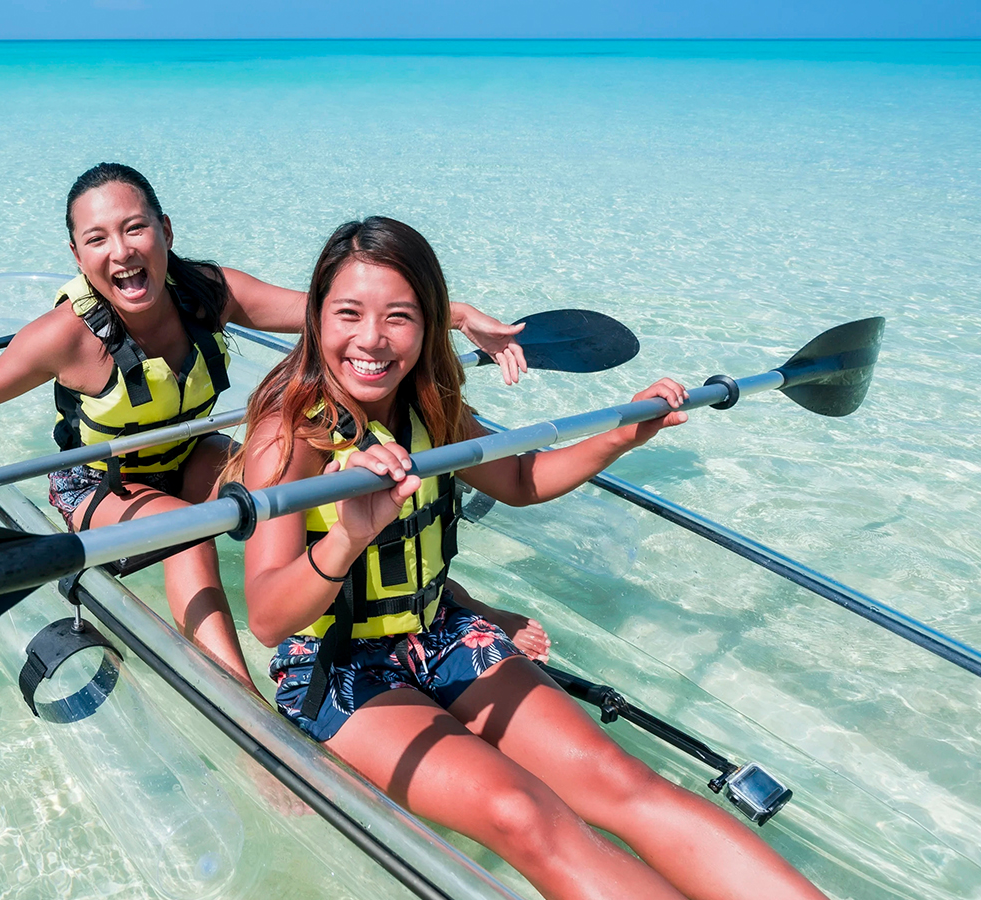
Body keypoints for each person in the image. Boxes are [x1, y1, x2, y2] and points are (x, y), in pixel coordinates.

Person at [226, 216, 829, 899]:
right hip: (337, 664)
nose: (371, 339)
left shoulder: (430, 401)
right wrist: (346, 537)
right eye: (348, 314)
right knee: (523, 814)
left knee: (617, 781)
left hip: (438, 634)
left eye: (399, 317)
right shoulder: (290, 430)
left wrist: (621, 436)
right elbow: (271, 618)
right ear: (314, 319)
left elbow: (518, 479)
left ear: (428, 328)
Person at [0, 163, 528, 691]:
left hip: (191, 450)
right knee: (194, 526)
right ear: (77, 254)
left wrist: (451, 316)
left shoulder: (208, 291)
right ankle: (239, 702)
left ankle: (438, 598)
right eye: (96, 238)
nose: (120, 250)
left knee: (303, 487)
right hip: (99, 480)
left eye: (134, 229)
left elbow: (333, 308)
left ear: (164, 231)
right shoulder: (65, 336)